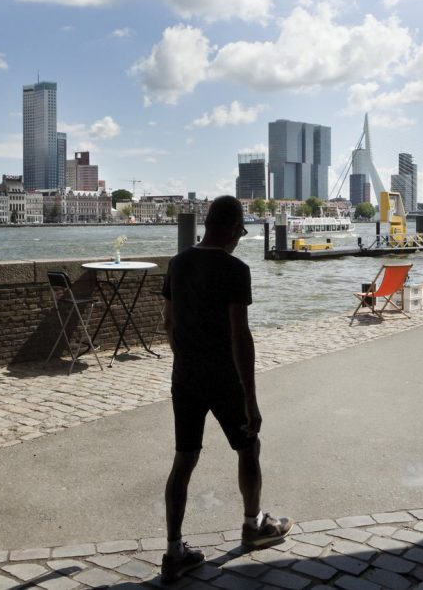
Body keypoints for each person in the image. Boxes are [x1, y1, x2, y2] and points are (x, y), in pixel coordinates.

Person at [159, 195, 293, 583]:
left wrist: (184, 357)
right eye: (241, 231)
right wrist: (251, 398)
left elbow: (168, 321)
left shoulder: (178, 263)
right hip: (224, 378)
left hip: (185, 377)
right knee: (249, 446)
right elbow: (240, 335)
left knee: (184, 460)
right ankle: (253, 527)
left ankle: (173, 553)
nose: (239, 238)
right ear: (234, 228)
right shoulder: (236, 269)